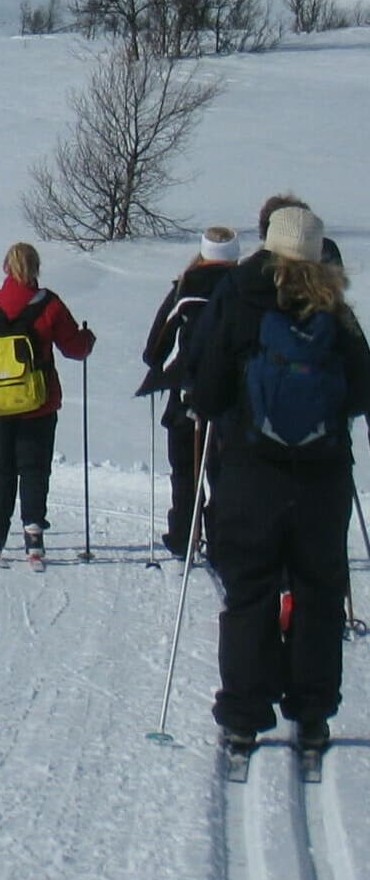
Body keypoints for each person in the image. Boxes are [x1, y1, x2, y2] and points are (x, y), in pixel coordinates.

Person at [187, 206, 370, 764]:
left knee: (250, 591)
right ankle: (312, 716)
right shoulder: (335, 309)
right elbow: (362, 391)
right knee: (317, 590)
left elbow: (208, 384)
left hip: (251, 469)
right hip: (321, 475)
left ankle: (243, 718)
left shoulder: (239, 296)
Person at [0, 242, 95, 566]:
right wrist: (88, 340)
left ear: (6, 268)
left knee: (1, 467)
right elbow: (74, 347)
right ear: (35, 269)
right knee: (34, 467)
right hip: (39, 401)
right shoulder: (49, 304)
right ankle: (33, 534)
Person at [137, 227, 242, 555]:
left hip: (186, 396)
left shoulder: (184, 289)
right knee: (224, 473)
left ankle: (184, 534)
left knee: (185, 470)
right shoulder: (246, 289)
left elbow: (154, 349)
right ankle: (224, 538)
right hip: (231, 399)